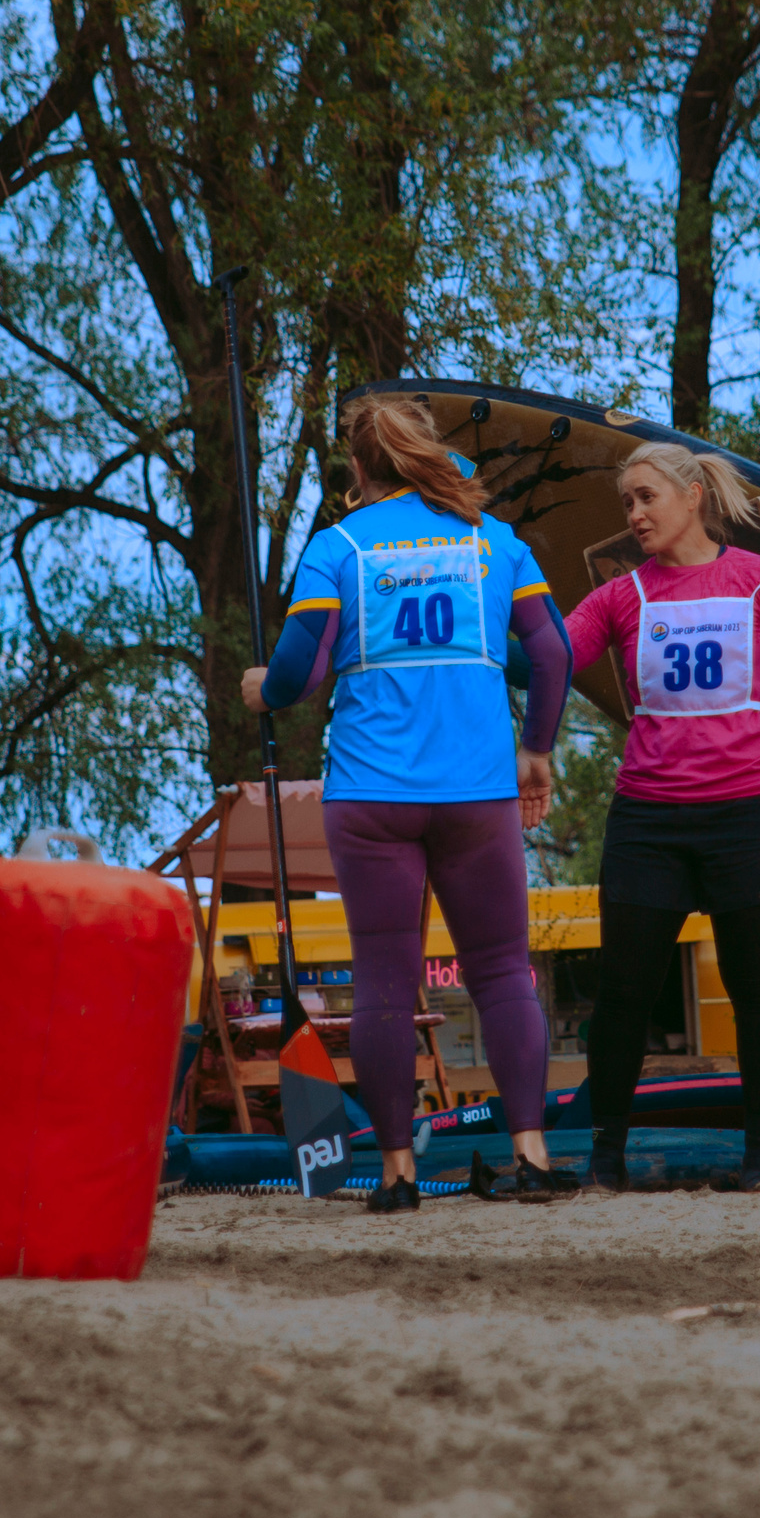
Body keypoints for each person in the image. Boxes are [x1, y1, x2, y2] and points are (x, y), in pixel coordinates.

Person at [242, 395, 573, 1213]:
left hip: (372, 796)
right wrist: (536, 747)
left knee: (386, 982)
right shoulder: (492, 542)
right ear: (427, 452)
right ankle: (531, 1155)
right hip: (477, 794)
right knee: (501, 973)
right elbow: (554, 653)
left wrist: (261, 693)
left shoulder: (338, 546)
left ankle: (396, 1173)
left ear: (358, 469)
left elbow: (297, 674)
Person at [564, 442, 760, 1193]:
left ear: (693, 494)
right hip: (649, 819)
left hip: (747, 814)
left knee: (756, 989)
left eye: (646, 497)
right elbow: (542, 661)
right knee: (624, 993)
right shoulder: (620, 596)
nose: (634, 514)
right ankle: (605, 1162)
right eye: (626, 502)